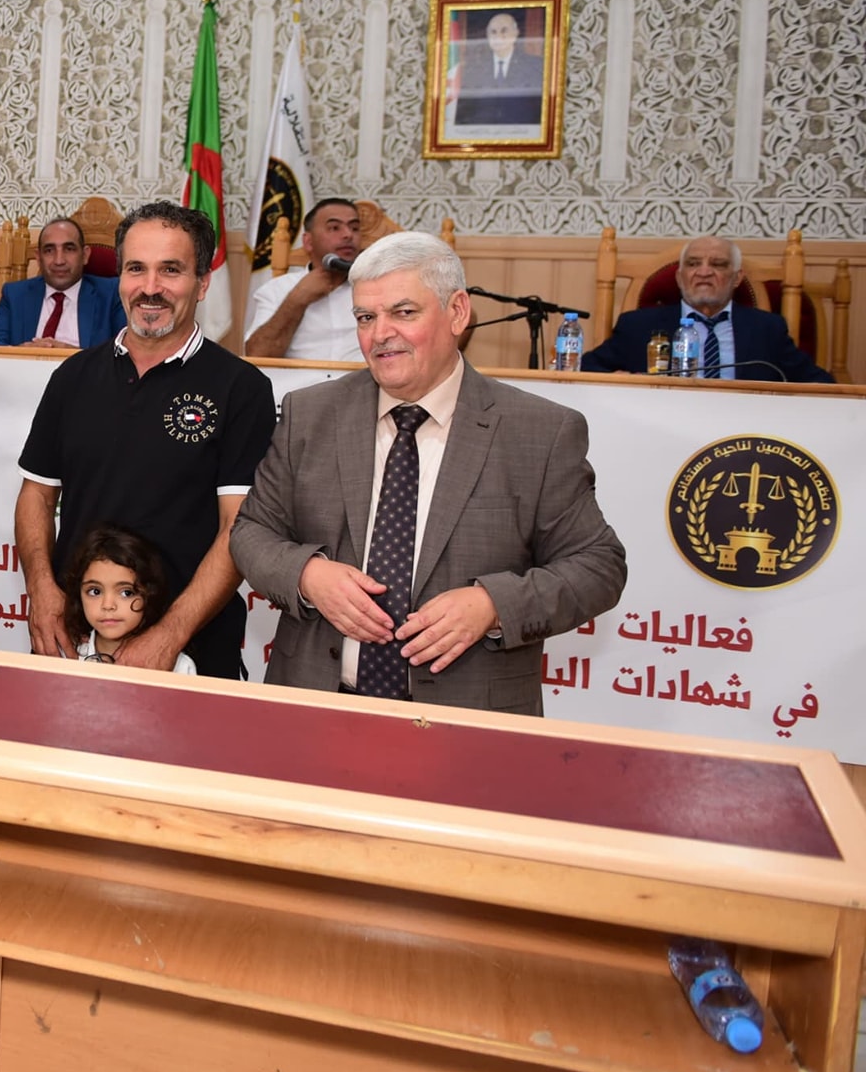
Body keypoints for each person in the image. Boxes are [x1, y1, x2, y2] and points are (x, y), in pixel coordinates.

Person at [230, 232, 627, 714]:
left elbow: (598, 566)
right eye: (365, 317)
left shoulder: (538, 431)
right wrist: (308, 575)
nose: (380, 334)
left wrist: (492, 606)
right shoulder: (309, 414)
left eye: (403, 312)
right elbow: (252, 532)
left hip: (471, 719)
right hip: (315, 707)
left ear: (457, 312)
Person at [14, 202, 276, 681]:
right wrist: (43, 592)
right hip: (76, 642)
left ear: (202, 282)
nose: (150, 287)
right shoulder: (73, 376)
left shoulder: (242, 389)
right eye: (136, 268)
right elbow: (36, 494)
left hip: (190, 651)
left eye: (170, 270)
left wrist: (169, 635)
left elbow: (238, 528)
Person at [581, 235, 832, 383]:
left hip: (742, 430)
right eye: (693, 264)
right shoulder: (638, 326)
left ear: (736, 278)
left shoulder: (767, 328)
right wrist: (621, 379)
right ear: (679, 277)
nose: (704, 272)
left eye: (718, 264)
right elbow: (586, 369)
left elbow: (819, 383)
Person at [61, 523, 192, 673]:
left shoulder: (179, 666)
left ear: (150, 594)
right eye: (95, 591)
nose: (108, 605)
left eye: (126, 593)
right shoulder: (64, 657)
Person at [243, 197, 363, 361]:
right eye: (334, 228)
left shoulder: (376, 288)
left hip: (361, 376)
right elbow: (257, 355)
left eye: (355, 228)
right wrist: (297, 299)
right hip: (299, 377)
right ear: (308, 242)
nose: (348, 235)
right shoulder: (277, 289)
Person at [0, 216, 126, 347]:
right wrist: (23, 352)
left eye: (69, 249)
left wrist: (75, 357)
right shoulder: (15, 294)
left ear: (85, 255)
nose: (59, 261)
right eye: (49, 250)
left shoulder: (112, 293)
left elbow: (125, 351)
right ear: (38, 258)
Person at [450, 10, 545, 129]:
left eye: (504, 30)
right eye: (493, 32)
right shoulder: (473, 70)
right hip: (482, 136)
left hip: (523, 136)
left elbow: (541, 112)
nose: (498, 36)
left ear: (515, 33)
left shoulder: (535, 66)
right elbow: (463, 116)